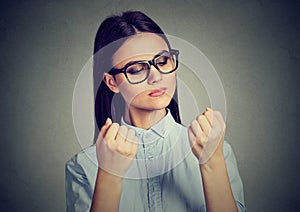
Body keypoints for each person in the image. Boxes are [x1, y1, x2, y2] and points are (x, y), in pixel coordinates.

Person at [65, 11, 246, 212]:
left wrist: (212, 163)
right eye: (136, 69)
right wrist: (109, 175)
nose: (156, 77)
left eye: (162, 62)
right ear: (111, 82)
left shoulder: (216, 149)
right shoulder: (83, 166)